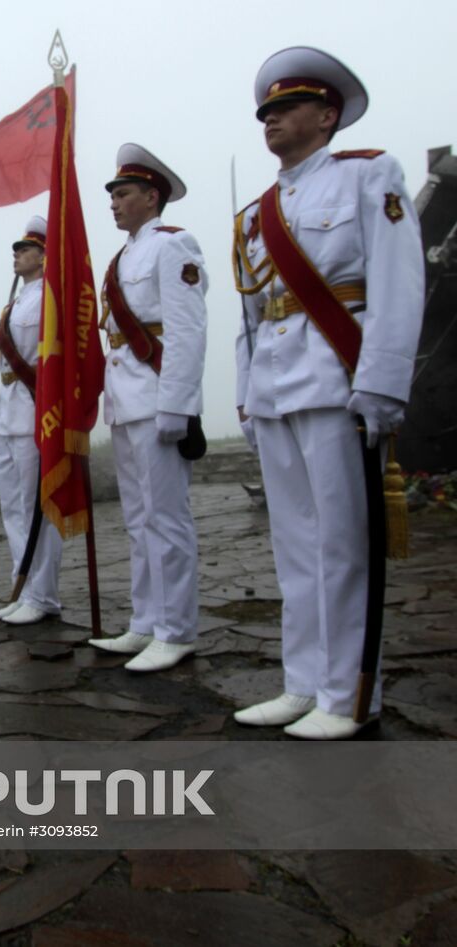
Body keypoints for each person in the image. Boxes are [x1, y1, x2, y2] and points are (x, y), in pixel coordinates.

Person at [231, 47, 423, 739]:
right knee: (294, 547)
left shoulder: (368, 175)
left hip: (338, 379)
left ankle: (348, 696)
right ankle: (303, 683)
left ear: (326, 114)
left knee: (342, 543)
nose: (271, 119)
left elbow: (399, 282)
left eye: (287, 107)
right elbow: (251, 316)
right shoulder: (255, 214)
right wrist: (246, 395)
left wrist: (382, 382)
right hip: (276, 387)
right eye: (266, 111)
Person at [88, 144, 209, 673]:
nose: (114, 202)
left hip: (158, 398)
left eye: (123, 193)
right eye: (113, 194)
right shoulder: (120, 259)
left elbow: (186, 329)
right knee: (138, 521)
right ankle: (145, 622)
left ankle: (176, 630)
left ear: (151, 196)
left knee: (166, 518)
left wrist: (177, 405)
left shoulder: (173, 244)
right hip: (125, 400)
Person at [0, 216, 63, 626]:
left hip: (36, 410)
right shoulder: (15, 302)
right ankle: (24, 587)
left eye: (25, 250)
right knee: (13, 508)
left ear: (44, 255)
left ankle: (43, 595)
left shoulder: (51, 296)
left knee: (38, 508)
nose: (17, 255)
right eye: (16, 250)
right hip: (8, 410)